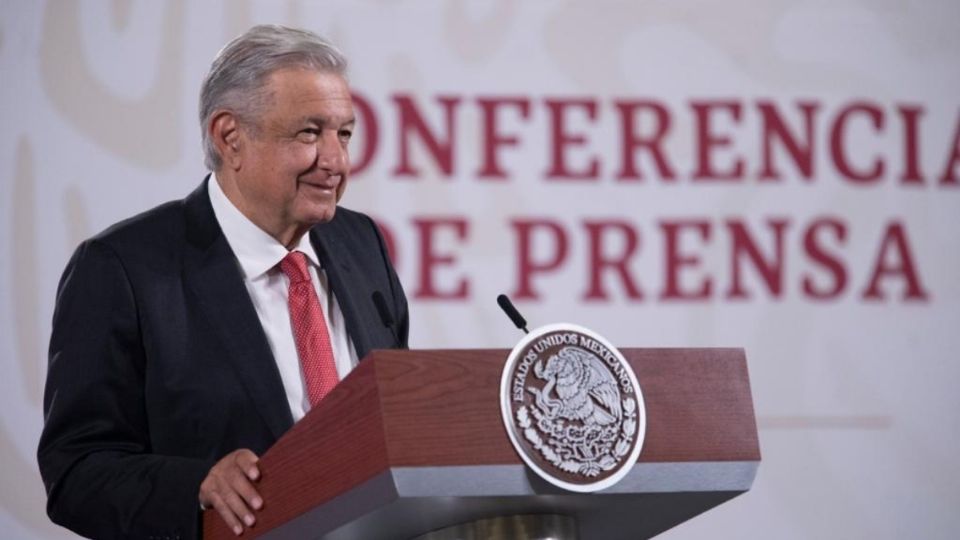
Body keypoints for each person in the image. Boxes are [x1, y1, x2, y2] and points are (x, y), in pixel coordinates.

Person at [37, 25, 408, 539]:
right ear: (230, 137)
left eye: (343, 134)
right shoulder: (122, 269)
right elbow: (75, 472)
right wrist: (196, 486)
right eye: (309, 133)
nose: (336, 162)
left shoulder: (360, 242)